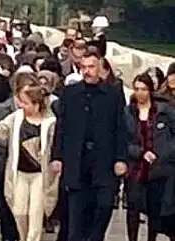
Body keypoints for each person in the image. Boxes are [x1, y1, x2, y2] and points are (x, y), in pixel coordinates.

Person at [51, 51, 129, 241]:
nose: (87, 71)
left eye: (91, 67)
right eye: (84, 67)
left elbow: (120, 128)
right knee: (76, 221)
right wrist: (57, 156)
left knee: (102, 210)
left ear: (100, 68)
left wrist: (121, 158)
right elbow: (61, 127)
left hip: (103, 163)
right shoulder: (70, 93)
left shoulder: (113, 94)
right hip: (77, 163)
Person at [0, 82, 59, 241]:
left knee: (35, 213)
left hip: (40, 175)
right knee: (19, 211)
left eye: (25, 103)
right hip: (19, 172)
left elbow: (57, 146)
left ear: (36, 105)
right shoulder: (16, 118)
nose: (21, 105)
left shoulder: (50, 122)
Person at [124, 72, 173, 241]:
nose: (140, 93)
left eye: (144, 89)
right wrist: (139, 152)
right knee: (133, 208)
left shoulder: (164, 112)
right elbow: (123, 140)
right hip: (135, 169)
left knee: (154, 209)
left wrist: (164, 153)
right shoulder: (128, 113)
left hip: (157, 168)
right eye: (137, 89)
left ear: (150, 90)